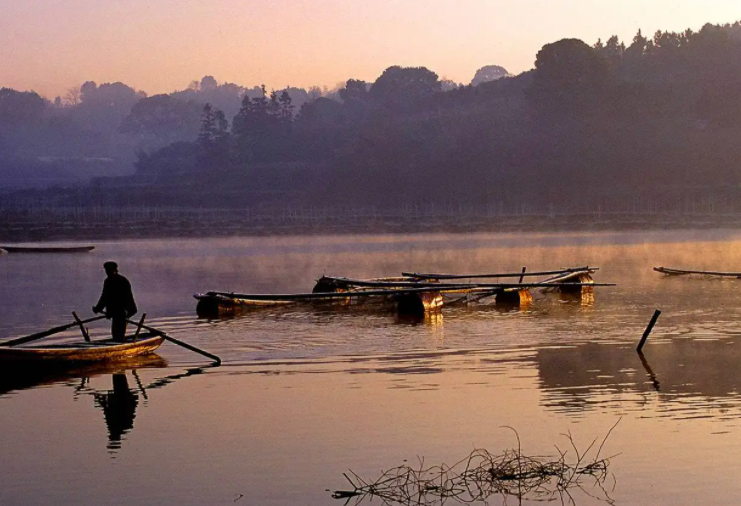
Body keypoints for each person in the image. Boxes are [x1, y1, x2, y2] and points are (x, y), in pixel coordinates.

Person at [93, 261, 137, 343]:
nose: (107, 272)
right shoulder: (108, 281)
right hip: (114, 312)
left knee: (119, 335)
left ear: (114, 270)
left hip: (121, 312)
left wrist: (129, 312)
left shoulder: (122, 281)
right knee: (116, 335)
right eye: (106, 271)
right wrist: (98, 308)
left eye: (108, 270)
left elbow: (127, 297)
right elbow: (105, 297)